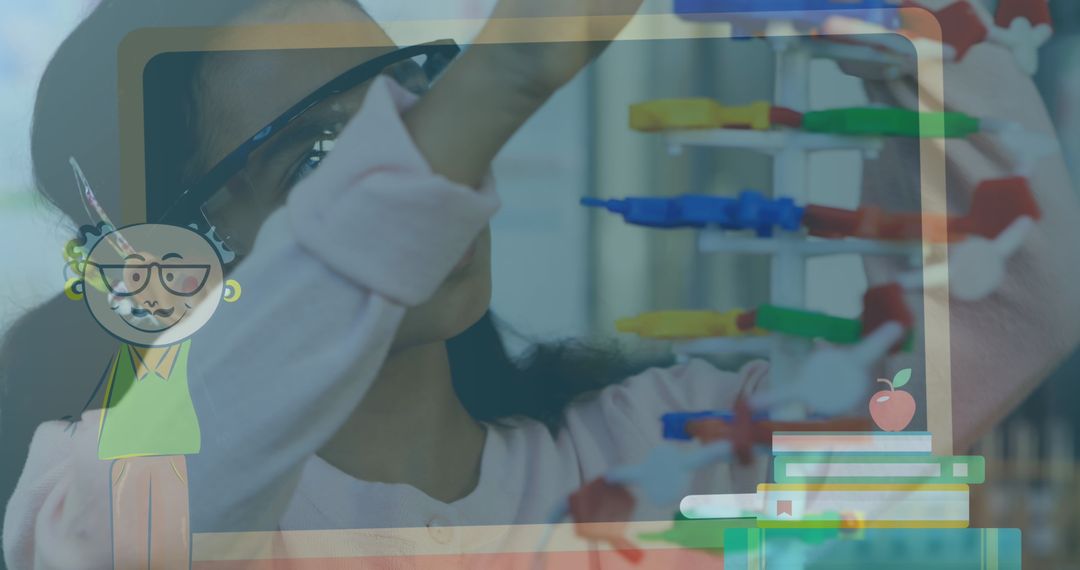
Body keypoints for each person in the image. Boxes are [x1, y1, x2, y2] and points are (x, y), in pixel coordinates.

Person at [3, 0, 1079, 567]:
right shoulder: (106, 491)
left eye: (412, 90)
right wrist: (503, 75)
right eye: (322, 156)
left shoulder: (673, 455)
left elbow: (999, 303)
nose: (440, 165)